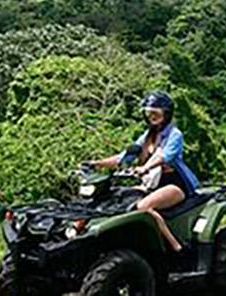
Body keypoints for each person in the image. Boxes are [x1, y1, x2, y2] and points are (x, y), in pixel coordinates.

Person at [85, 91, 199, 253]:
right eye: (148, 113)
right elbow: (124, 157)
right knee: (113, 196)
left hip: (174, 183)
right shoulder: (147, 136)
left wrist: (145, 168)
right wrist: (96, 164)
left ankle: (176, 247)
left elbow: (163, 157)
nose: (152, 116)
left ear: (166, 114)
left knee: (144, 207)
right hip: (151, 183)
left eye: (156, 112)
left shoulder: (175, 135)